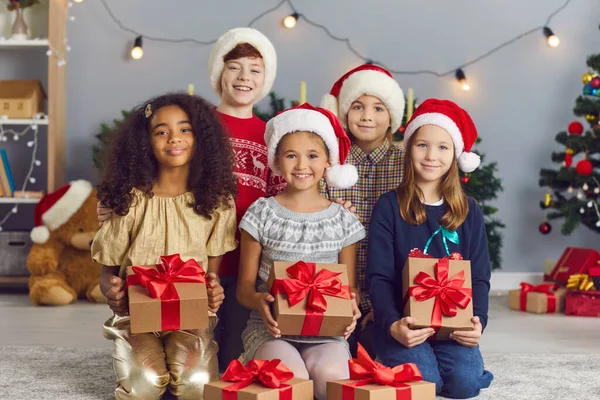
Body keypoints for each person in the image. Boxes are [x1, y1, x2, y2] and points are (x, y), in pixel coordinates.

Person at [97, 28, 286, 370]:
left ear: (266, 78)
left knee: (227, 362)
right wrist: (115, 207)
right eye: (234, 67)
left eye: (255, 69)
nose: (244, 77)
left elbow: (282, 193)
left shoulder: (272, 134)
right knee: (168, 346)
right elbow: (148, 174)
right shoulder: (195, 123)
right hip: (189, 261)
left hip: (245, 263)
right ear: (218, 73)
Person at [91, 93, 237, 399]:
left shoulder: (217, 202)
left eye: (185, 129)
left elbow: (212, 278)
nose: (174, 139)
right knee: (145, 384)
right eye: (161, 131)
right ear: (145, 141)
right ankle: (143, 361)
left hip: (190, 317)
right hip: (135, 315)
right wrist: (112, 293)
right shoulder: (128, 201)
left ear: (201, 139)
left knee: (197, 385)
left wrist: (214, 293)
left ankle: (177, 363)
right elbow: (108, 276)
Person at [366, 99, 494, 398]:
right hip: (403, 322)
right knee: (427, 385)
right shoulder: (389, 206)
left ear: (455, 156)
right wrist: (393, 324)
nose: (431, 156)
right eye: (422, 145)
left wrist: (479, 322)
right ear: (409, 148)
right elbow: (379, 276)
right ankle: (375, 342)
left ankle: (461, 367)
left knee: (465, 385)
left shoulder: (469, 211)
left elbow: (479, 276)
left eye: (443, 148)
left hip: (453, 325)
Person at [236, 104, 364, 400]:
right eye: (291, 155)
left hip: (327, 334)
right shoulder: (262, 213)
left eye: (312, 156)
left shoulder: (344, 221)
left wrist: (352, 306)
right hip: (271, 332)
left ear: (327, 163)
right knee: (291, 382)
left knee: (332, 380)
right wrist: (259, 300)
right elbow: (244, 288)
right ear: (277, 162)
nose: (301, 165)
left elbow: (349, 288)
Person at [319, 63, 405, 357]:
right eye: (358, 106)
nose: (367, 116)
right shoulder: (328, 165)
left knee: (388, 364)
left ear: (392, 116)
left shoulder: (406, 164)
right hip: (337, 290)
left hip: (393, 295)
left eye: (379, 108)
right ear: (344, 112)